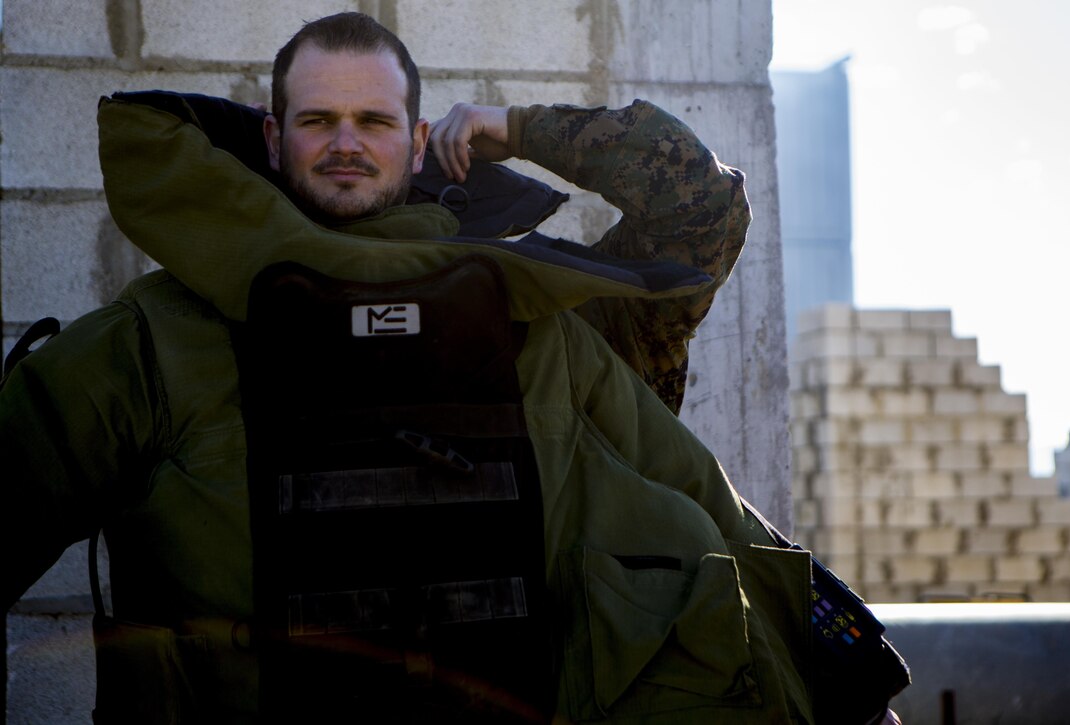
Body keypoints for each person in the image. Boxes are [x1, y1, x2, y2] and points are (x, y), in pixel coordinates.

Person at [2, 11, 903, 723]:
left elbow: (701, 209)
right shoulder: (163, 335)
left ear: (418, 137)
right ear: (271, 142)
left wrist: (518, 127)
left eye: (372, 120)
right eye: (317, 120)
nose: (345, 142)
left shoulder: (543, 316)